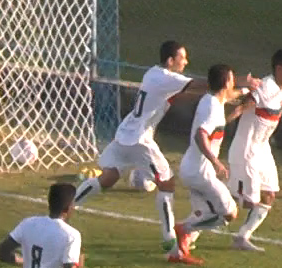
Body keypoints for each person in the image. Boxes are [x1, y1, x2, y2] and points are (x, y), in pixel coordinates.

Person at [72, 40, 196, 250]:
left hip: (126, 133)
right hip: (140, 139)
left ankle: (65, 208)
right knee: (167, 183)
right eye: (182, 58)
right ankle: (170, 241)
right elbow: (197, 86)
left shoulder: (153, 74)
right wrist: (229, 84)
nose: (186, 61)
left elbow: (184, 92)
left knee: (109, 177)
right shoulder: (166, 77)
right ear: (170, 60)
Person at [167, 64, 248, 265]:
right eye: (233, 80)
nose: (234, 84)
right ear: (227, 83)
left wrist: (246, 93)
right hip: (200, 172)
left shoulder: (212, 100)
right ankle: (183, 229)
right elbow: (200, 134)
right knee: (229, 213)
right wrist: (215, 161)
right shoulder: (212, 107)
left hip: (192, 168)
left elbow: (219, 120)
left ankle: (178, 252)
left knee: (203, 213)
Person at [227, 49, 282, 252]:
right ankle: (192, 226)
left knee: (268, 195)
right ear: (279, 68)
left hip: (262, 149)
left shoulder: (280, 88)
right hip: (246, 150)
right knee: (240, 201)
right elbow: (241, 108)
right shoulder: (265, 87)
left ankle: (242, 237)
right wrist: (217, 124)